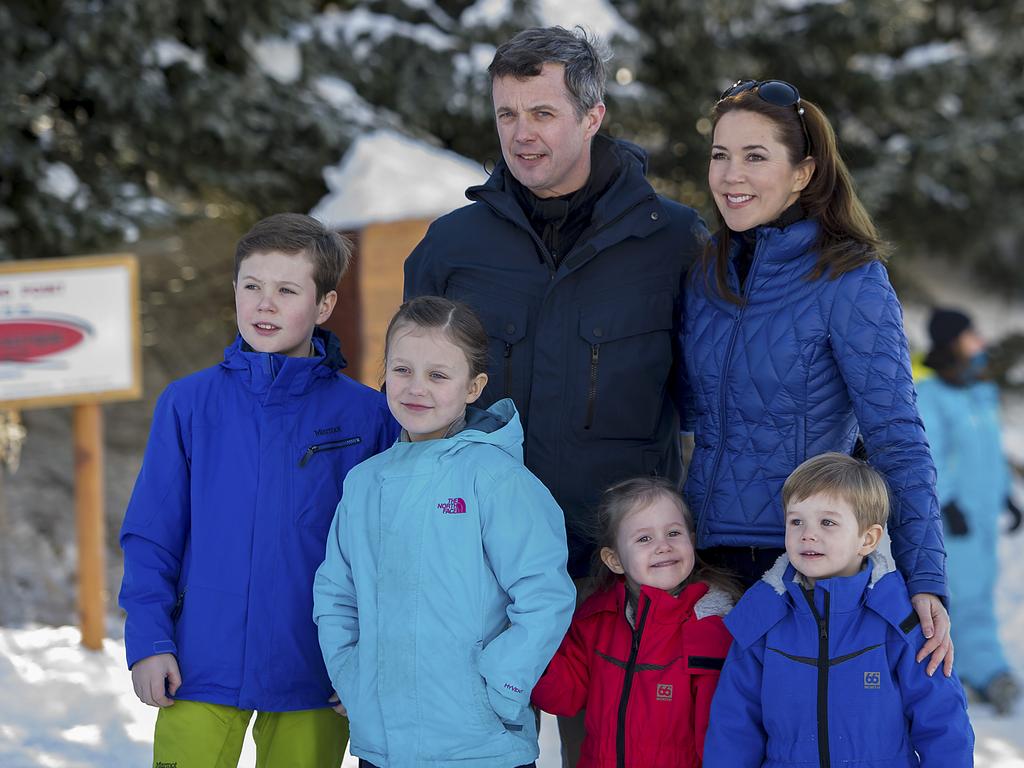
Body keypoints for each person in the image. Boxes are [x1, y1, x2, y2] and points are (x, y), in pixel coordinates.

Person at [404, 26, 705, 583]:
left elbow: (712, 408)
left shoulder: (672, 241)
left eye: (542, 113)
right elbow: (409, 401)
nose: (521, 134)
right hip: (480, 558)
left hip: (618, 565)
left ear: (592, 117)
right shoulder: (451, 247)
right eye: (506, 115)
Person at [679, 78, 953, 675]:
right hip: (703, 565)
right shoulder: (706, 273)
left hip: (803, 563)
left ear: (803, 173)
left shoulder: (848, 279)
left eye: (755, 157)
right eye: (720, 156)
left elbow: (897, 437)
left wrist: (925, 576)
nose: (730, 176)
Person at [118, 213, 399, 767]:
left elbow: (386, 552)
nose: (264, 304)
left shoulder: (367, 416)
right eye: (252, 286)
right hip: (198, 663)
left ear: (323, 307)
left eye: (286, 290)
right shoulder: (188, 404)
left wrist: (365, 657)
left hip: (314, 671)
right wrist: (150, 641)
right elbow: (152, 535)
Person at [312, 296, 576, 768]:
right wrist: (353, 677)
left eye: (438, 375)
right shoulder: (365, 482)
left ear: (473, 387)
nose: (417, 388)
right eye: (402, 370)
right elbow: (336, 593)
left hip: (480, 745)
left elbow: (545, 595)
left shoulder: (496, 479)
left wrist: (501, 686)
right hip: (384, 746)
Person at [705, 453, 974, 768]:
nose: (808, 533)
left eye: (827, 522)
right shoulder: (763, 616)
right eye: (796, 521)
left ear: (868, 539)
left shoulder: (899, 618)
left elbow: (943, 722)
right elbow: (734, 726)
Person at [531, 477, 736, 767]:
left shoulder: (709, 629)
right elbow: (561, 696)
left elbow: (719, 738)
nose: (663, 546)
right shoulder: (596, 620)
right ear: (614, 560)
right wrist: (533, 630)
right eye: (644, 538)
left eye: (674, 533)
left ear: (691, 540)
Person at [917, 306, 1023, 714]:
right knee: (962, 594)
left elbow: (988, 455)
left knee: (979, 588)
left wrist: (1005, 497)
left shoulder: (980, 392)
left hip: (981, 515)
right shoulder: (932, 395)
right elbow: (930, 454)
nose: (979, 340)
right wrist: (946, 501)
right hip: (951, 517)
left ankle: (968, 670)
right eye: (970, 333)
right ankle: (982, 672)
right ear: (951, 342)